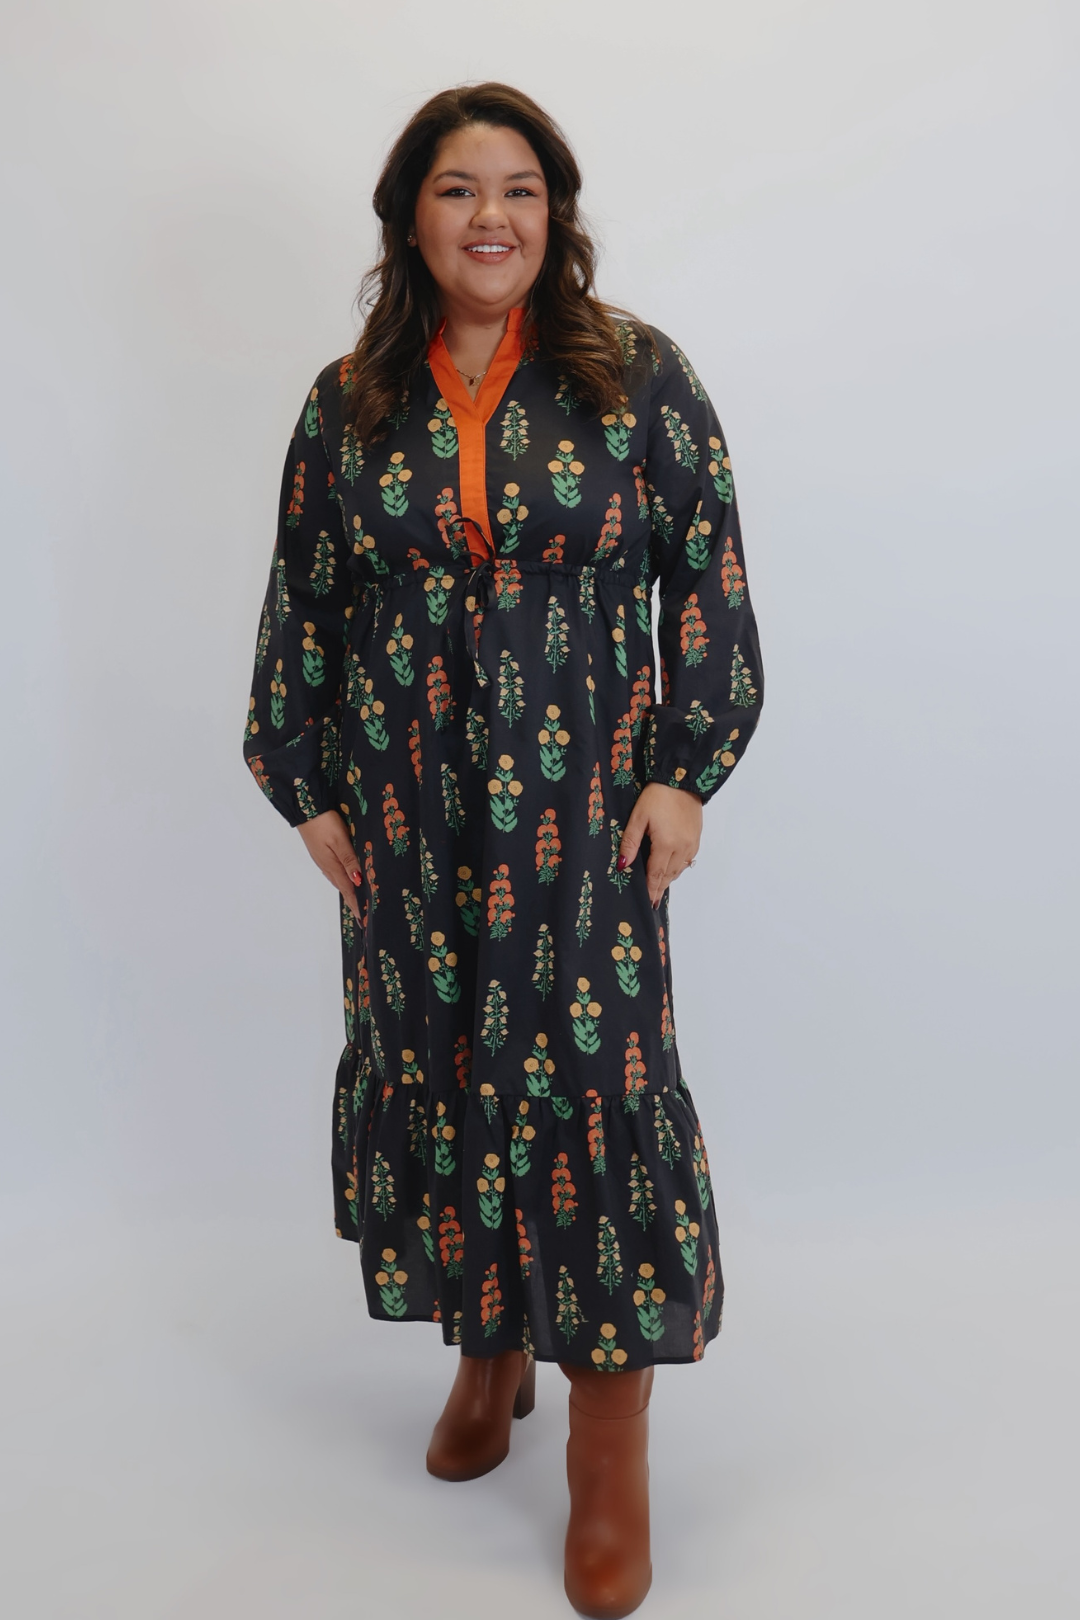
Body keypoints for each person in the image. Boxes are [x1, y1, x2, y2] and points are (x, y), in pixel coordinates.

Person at [243, 81, 763, 1620]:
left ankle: (610, 1440)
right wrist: (306, 784)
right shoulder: (351, 399)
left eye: (521, 189)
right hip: (408, 813)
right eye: (460, 189)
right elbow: (306, 599)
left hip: (585, 814)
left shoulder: (636, 375)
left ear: (557, 213)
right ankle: (489, 1349)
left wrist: (686, 774)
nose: (493, 217)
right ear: (411, 218)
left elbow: (707, 576)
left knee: (593, 1083)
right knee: (446, 1057)